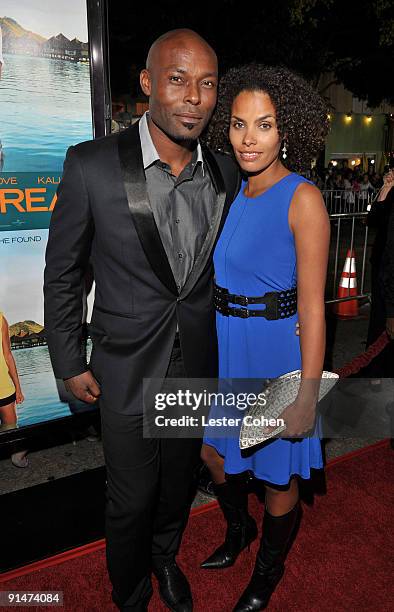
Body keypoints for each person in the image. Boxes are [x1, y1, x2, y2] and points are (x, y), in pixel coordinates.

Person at [44, 29, 240, 612]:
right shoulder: (92, 165)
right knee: (131, 498)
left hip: (194, 366)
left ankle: (164, 558)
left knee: (176, 488)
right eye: (178, 80)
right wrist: (67, 358)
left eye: (207, 83)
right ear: (148, 83)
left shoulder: (226, 172)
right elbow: (64, 272)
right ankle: (129, 595)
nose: (193, 97)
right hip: (124, 368)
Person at [200, 64, 330, 611]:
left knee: (277, 478)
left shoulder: (302, 199)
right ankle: (239, 530)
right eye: (238, 124)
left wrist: (305, 395)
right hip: (232, 349)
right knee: (213, 455)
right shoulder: (235, 191)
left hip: (277, 353)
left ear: (286, 131)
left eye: (264, 124)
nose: (249, 138)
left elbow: (313, 309)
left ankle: (266, 576)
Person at [365, 169, 394, 385]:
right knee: (380, 318)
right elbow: (373, 219)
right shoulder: (391, 190)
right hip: (384, 265)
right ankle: (375, 372)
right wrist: (385, 188)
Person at [0, 311, 26, 467]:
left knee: (11, 432)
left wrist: (18, 387)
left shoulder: (0, 318)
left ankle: (17, 453)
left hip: (3, 387)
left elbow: (7, 354)